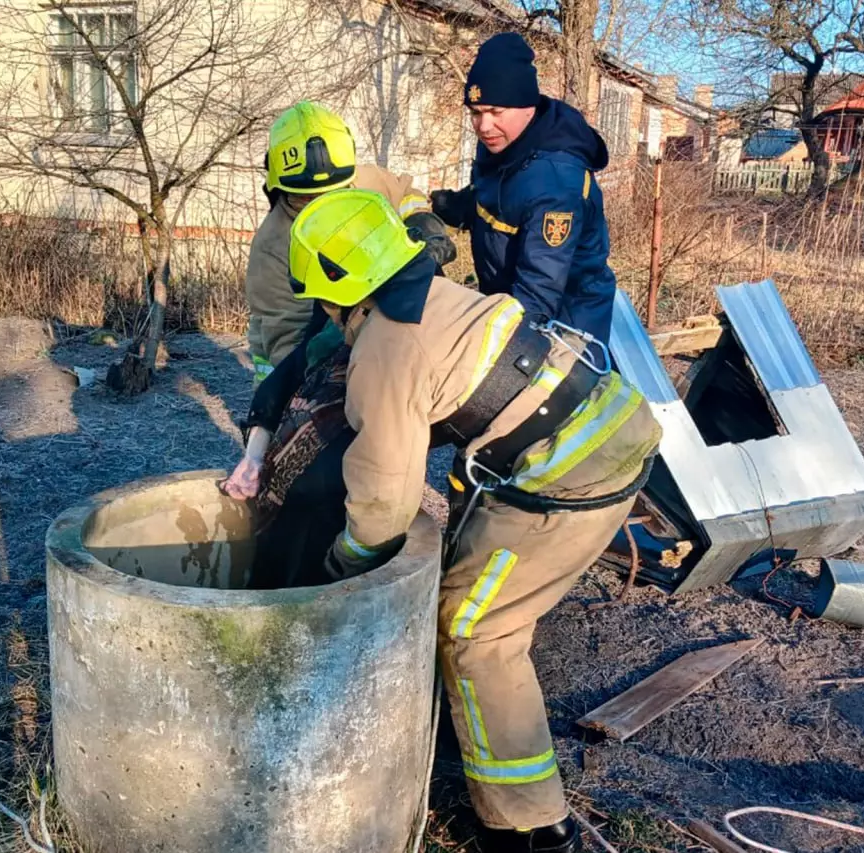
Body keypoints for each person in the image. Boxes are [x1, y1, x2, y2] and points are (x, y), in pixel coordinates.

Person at [225, 188, 661, 852]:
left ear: (331, 293)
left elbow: (382, 507)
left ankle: (531, 827)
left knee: (474, 626)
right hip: (604, 431)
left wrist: (340, 569)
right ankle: (483, 752)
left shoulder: (383, 348)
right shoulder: (430, 291)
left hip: (569, 471)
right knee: (472, 594)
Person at [246, 100, 456, 385]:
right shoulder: (271, 247)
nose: (326, 205)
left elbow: (406, 194)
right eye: (308, 198)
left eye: (336, 192)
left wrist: (423, 224)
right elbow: (290, 344)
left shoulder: (365, 181)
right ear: (280, 186)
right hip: (304, 367)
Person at [430, 32, 618, 345]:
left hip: (563, 331)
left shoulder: (556, 182)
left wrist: (490, 350)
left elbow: (538, 293)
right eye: (476, 113)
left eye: (495, 112)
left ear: (527, 106)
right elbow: (495, 196)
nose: (484, 126)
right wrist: (453, 206)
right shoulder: (503, 144)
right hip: (507, 307)